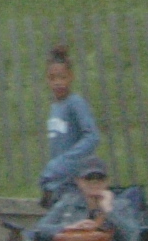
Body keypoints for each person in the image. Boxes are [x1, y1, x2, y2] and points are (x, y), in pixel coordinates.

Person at [38, 46, 101, 209]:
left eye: (62, 77)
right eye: (52, 78)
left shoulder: (75, 103)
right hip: (59, 182)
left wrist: (63, 162)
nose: (58, 83)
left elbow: (92, 136)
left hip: (76, 181)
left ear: (71, 77)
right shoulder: (55, 107)